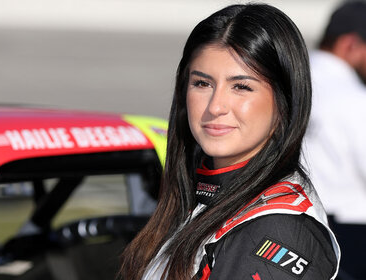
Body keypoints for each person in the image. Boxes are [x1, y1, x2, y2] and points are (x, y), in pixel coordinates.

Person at [120, 3, 340, 280]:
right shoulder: (195, 196)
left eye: (241, 87)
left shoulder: (277, 228)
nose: (215, 106)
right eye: (202, 83)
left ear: (285, 102)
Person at [303, 1, 366, 278]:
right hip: (352, 237)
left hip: (288, 223)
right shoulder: (354, 98)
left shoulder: (285, 81)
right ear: (351, 44)